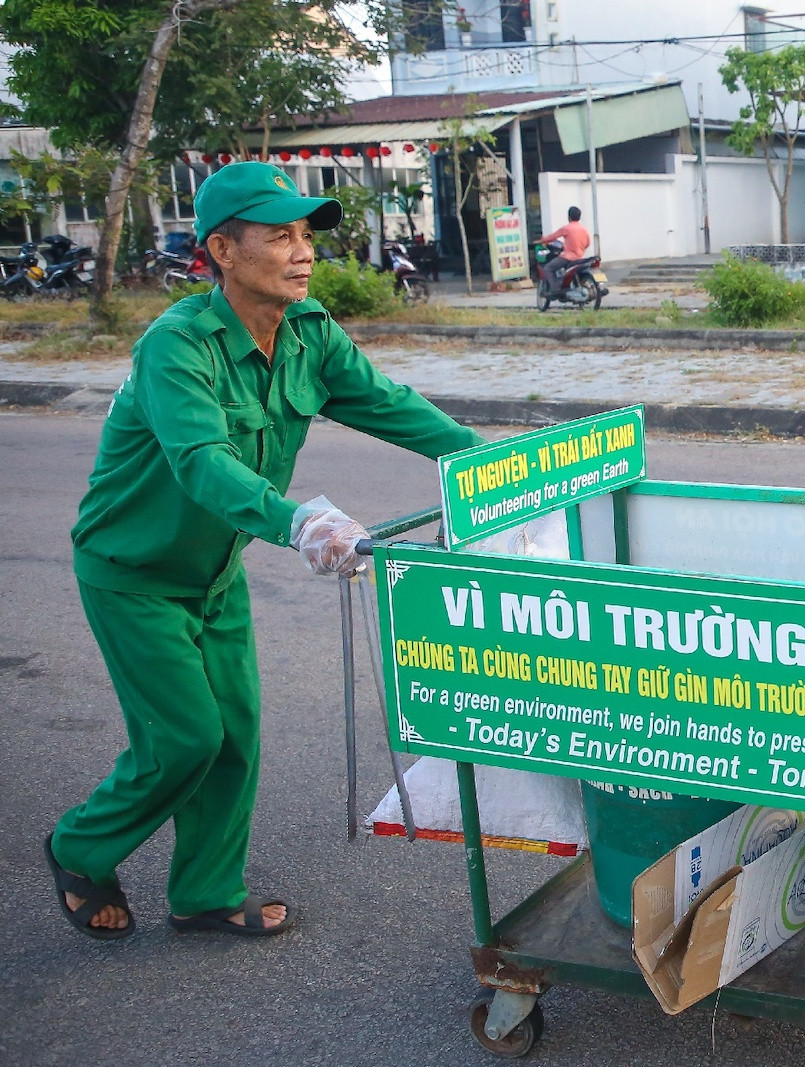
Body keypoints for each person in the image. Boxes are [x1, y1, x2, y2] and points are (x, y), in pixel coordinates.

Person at [45, 162, 484, 940]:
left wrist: (500, 468)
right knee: (185, 736)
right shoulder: (176, 347)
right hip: (133, 572)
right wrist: (298, 521)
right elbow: (202, 462)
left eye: (306, 235)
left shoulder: (309, 331)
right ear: (223, 248)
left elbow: (392, 407)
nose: (302, 251)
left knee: (236, 734)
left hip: (215, 570)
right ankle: (80, 845)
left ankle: (206, 891)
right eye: (279, 236)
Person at [537, 206, 591, 290]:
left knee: (548, 268)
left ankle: (555, 289)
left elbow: (552, 237)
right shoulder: (584, 229)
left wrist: (541, 241)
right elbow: (587, 244)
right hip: (579, 257)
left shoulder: (567, 228)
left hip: (568, 258)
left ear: (569, 217)